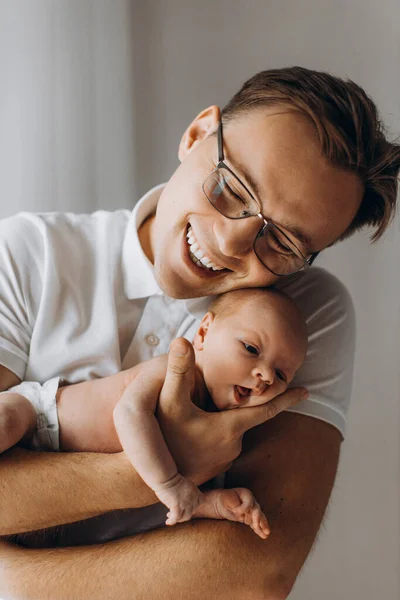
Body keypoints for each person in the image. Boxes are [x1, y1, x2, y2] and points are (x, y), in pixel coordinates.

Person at [0, 66, 399, 600]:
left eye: (281, 243)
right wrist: (171, 470)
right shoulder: (30, 255)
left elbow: (255, 574)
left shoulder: (301, 316)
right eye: (231, 186)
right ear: (195, 136)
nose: (234, 243)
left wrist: (15, 582)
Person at [0, 287, 307, 539]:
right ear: (203, 333)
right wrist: (170, 484)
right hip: (41, 414)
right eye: (252, 349)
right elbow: (129, 414)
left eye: (280, 376)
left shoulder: (222, 436)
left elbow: (166, 506)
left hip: (60, 477)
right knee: (6, 422)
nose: (265, 376)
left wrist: (210, 503)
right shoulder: (176, 371)